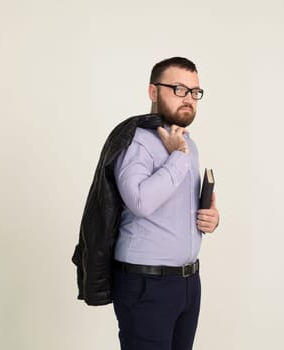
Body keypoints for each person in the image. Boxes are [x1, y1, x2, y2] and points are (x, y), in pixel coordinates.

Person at [111, 56, 220, 350]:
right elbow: (141, 202)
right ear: (153, 92)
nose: (189, 99)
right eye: (178, 89)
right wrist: (178, 156)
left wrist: (210, 217)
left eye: (194, 92)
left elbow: (177, 209)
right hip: (147, 285)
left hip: (186, 284)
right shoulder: (136, 141)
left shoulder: (188, 143)